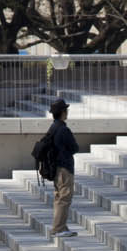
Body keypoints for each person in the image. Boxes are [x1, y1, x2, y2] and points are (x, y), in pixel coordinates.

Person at [48, 98, 80, 237]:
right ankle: (58, 228)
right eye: (65, 110)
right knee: (64, 198)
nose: (67, 112)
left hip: (56, 167)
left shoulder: (53, 128)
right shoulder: (63, 129)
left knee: (59, 197)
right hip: (64, 168)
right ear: (62, 112)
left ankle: (61, 226)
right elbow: (74, 147)